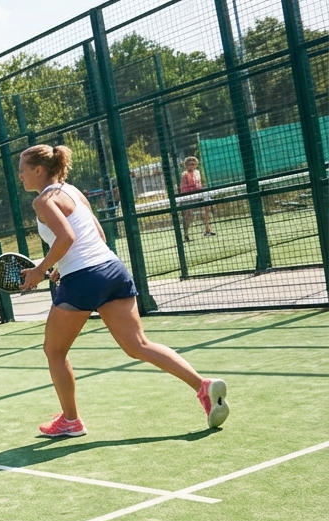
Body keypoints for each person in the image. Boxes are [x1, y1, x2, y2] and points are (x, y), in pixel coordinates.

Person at [16, 145, 230, 436]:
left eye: (23, 169)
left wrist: (41, 270)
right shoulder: (73, 191)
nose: (20, 176)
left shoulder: (43, 201)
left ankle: (70, 421)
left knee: (54, 351)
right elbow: (97, 235)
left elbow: (67, 236)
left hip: (84, 278)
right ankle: (202, 386)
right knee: (138, 345)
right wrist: (60, 266)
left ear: (39, 170)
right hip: (113, 269)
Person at [178, 156, 215, 242]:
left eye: (194, 164)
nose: (193, 166)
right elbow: (184, 188)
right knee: (189, 216)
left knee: (207, 206)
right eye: (190, 164)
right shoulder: (184, 175)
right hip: (188, 197)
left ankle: (207, 230)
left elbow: (199, 184)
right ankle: (186, 235)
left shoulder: (197, 172)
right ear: (186, 165)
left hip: (198, 195)